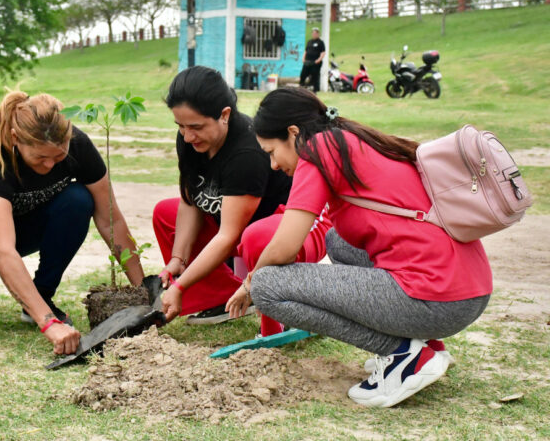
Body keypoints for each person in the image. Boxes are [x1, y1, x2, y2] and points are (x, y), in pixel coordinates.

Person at [226, 87, 492, 407]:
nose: (272, 165)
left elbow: (283, 247)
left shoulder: (316, 150)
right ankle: (426, 345)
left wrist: (250, 280)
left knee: (268, 287)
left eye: (271, 152)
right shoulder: (351, 138)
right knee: (336, 241)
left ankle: (404, 357)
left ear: (293, 133)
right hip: (468, 292)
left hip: (435, 299)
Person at [0, 90, 145, 355]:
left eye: (58, 157)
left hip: (14, 223)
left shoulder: (78, 144)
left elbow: (110, 219)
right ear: (15, 139)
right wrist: (49, 324)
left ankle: (41, 295)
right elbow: (1, 250)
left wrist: (144, 296)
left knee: (78, 200)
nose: (49, 165)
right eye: (39, 157)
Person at [154, 66, 330, 332]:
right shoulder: (190, 141)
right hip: (243, 227)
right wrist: (178, 259)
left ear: (224, 115)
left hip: (281, 230)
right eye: (180, 126)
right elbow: (192, 201)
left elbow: (228, 235)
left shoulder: (246, 151)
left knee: (255, 237)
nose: (187, 136)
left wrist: (180, 285)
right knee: (165, 212)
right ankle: (223, 295)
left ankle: (275, 322)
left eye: (196, 127)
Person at [299, 28, 326, 92]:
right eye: (313, 33)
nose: (314, 34)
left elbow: (323, 52)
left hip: (315, 62)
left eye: (315, 33)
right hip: (307, 61)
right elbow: (306, 51)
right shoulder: (309, 42)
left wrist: (318, 60)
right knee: (303, 74)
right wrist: (303, 58)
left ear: (318, 34)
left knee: (315, 76)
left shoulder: (320, 42)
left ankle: (315, 90)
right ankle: (301, 87)